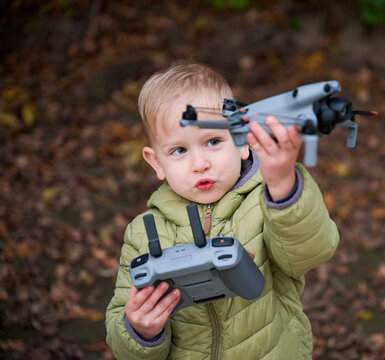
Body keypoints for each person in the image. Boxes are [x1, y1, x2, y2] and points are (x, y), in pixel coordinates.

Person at [105, 61, 339, 359]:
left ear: (242, 143)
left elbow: (312, 251)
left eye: (213, 141)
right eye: (179, 150)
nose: (199, 163)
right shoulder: (144, 232)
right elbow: (122, 336)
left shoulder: (265, 204)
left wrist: (282, 186)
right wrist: (140, 332)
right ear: (156, 163)